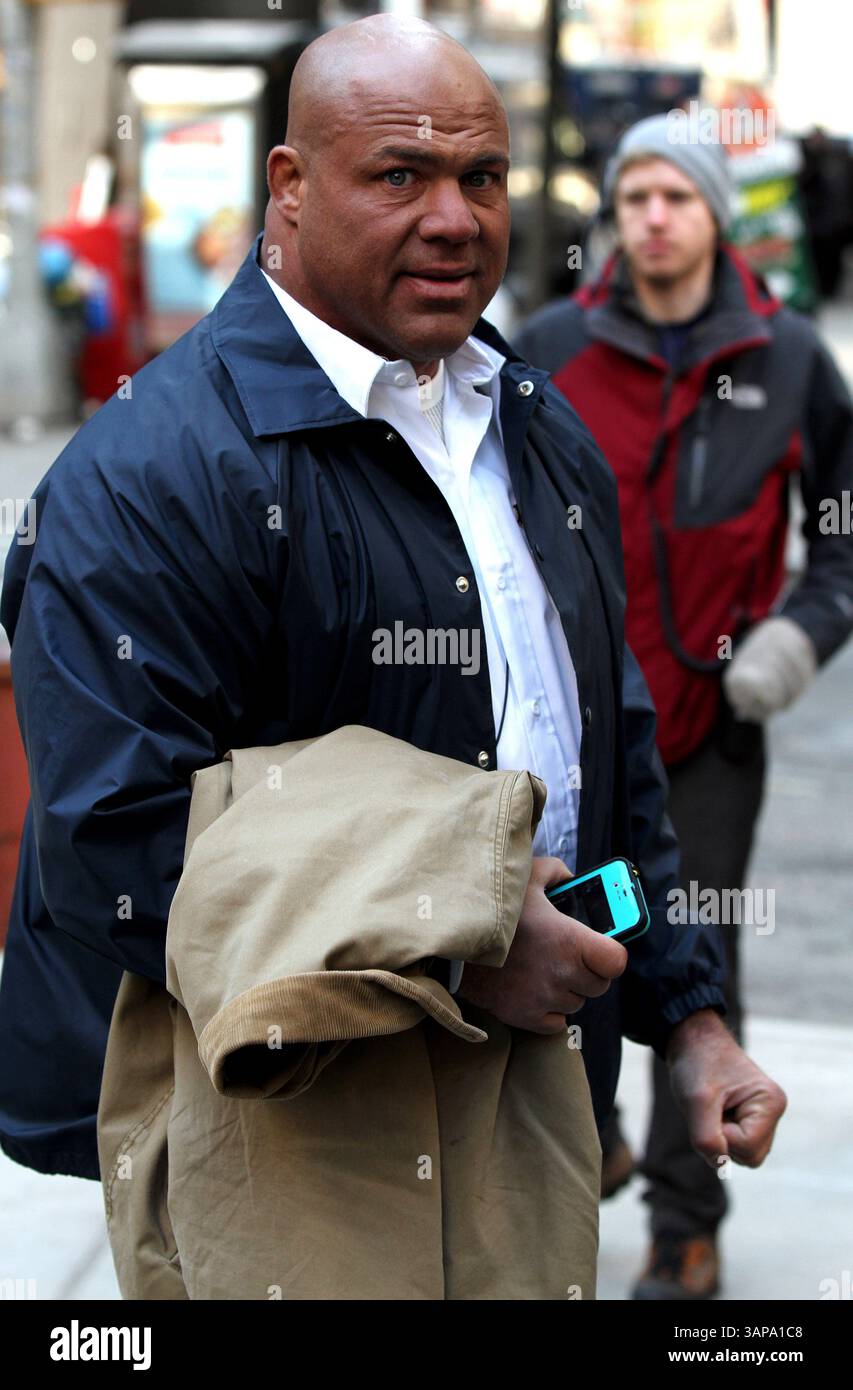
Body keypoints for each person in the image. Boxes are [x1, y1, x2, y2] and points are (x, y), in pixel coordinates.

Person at [0, 20, 785, 1294]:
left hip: (538, 1101)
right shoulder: (147, 474)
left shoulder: (533, 429)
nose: (454, 218)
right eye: (399, 175)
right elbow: (119, 848)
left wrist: (686, 1017)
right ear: (290, 189)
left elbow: (600, 757)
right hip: (298, 1130)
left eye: (482, 178)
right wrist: (463, 945)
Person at [514, 112, 853, 1298]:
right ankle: (591, 1134)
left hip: (708, 729)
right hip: (567, 725)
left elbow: (842, 538)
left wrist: (794, 642)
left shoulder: (791, 357)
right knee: (566, 941)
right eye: (636, 196)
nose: (654, 217)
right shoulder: (546, 343)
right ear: (613, 214)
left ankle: (682, 1222)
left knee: (688, 954)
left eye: (679, 196)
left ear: (716, 215)